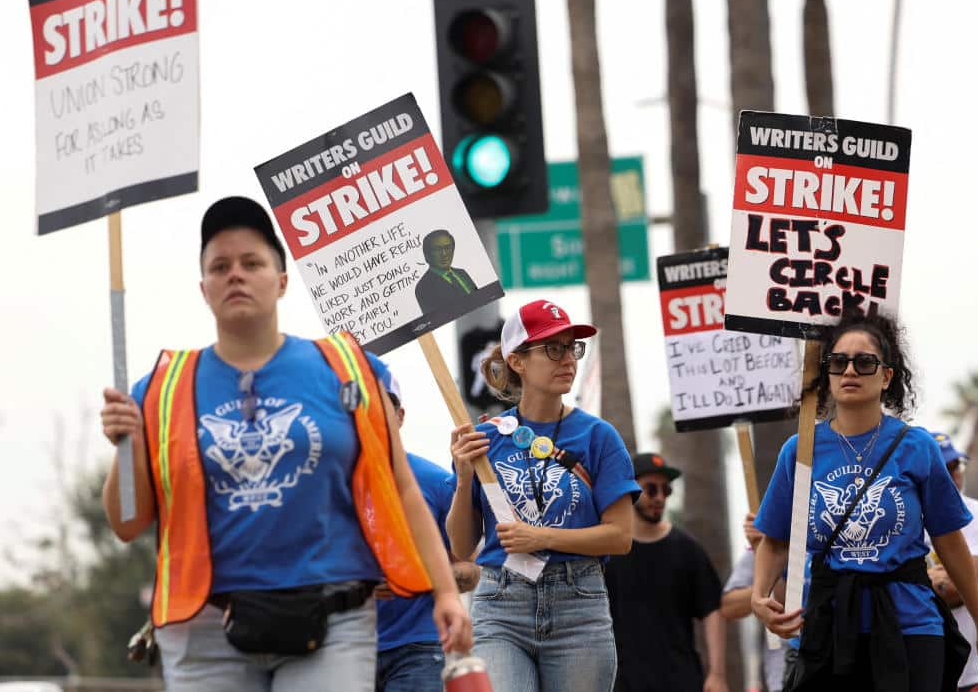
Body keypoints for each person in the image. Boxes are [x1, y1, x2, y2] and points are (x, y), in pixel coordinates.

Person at [99, 195, 471, 691]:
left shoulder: (349, 368)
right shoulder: (163, 390)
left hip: (333, 619)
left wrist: (445, 592)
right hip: (205, 628)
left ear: (281, 281)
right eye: (220, 266)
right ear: (204, 289)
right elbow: (128, 523)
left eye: (251, 262)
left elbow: (403, 489)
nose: (235, 274)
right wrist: (124, 444)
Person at [750, 311, 978, 692]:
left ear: (886, 376)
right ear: (827, 373)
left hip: (911, 625)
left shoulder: (917, 447)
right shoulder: (800, 449)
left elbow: (951, 542)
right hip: (831, 626)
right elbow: (776, 537)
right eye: (838, 362)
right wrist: (758, 596)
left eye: (864, 362)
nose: (849, 370)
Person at [447, 298, 640, 691]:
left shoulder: (599, 437)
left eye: (573, 348)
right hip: (501, 604)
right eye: (554, 348)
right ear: (517, 361)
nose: (568, 359)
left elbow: (620, 537)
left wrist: (543, 538)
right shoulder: (483, 440)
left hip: (579, 606)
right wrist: (465, 477)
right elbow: (461, 546)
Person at [375, 375, 481, 692]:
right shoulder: (330, 482)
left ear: (400, 415)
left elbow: (471, 570)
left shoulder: (434, 481)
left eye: (383, 405)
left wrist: (414, 578)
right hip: (342, 648)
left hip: (419, 647)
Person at [604, 452, 729, 692]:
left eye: (666, 490)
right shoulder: (607, 550)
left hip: (681, 680)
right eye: (651, 489)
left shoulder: (687, 548)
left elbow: (712, 610)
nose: (660, 497)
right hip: (621, 682)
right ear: (629, 491)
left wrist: (717, 674)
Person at [924, 431, 978, 692]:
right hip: (929, 669)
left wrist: (922, 581)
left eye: (955, 466)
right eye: (943, 468)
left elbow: (956, 590)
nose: (953, 475)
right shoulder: (910, 518)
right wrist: (932, 579)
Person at [720, 513, 789, 692]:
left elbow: (791, 599)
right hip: (782, 674)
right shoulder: (764, 544)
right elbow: (728, 607)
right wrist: (760, 593)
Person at [414, 229, 478, 315]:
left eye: (447, 247)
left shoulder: (462, 273)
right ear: (427, 254)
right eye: (437, 249)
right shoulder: (423, 286)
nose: (444, 253)